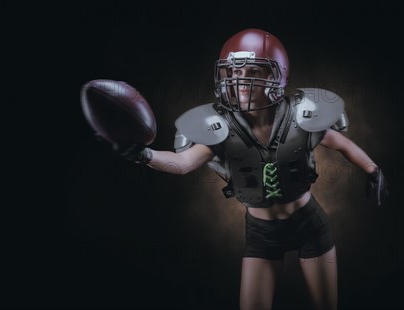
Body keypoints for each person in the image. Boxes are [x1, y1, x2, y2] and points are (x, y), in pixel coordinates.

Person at [118, 28, 387, 310]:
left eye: (251, 71)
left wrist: (372, 169)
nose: (240, 80)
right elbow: (182, 164)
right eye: (233, 73)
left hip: (309, 224)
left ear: (276, 75)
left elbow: (342, 144)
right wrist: (144, 154)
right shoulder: (220, 126)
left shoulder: (301, 114)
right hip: (261, 232)